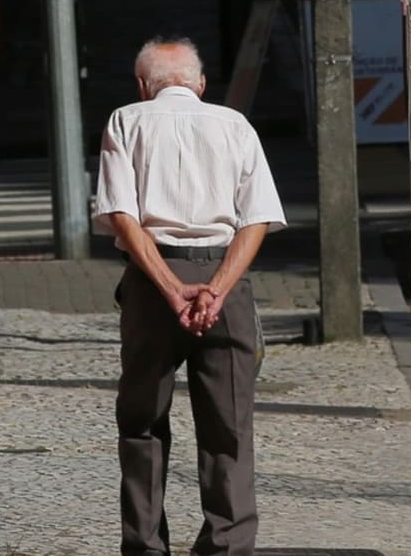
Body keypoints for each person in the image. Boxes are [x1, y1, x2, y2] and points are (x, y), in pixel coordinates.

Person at [94, 36, 286, 556]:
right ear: (200, 84)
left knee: (142, 422)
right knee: (229, 427)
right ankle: (228, 547)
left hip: (153, 282)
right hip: (226, 278)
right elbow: (257, 218)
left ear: (142, 85)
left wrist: (172, 288)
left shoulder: (126, 121)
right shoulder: (234, 125)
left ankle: (145, 546)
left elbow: (122, 216)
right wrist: (216, 289)